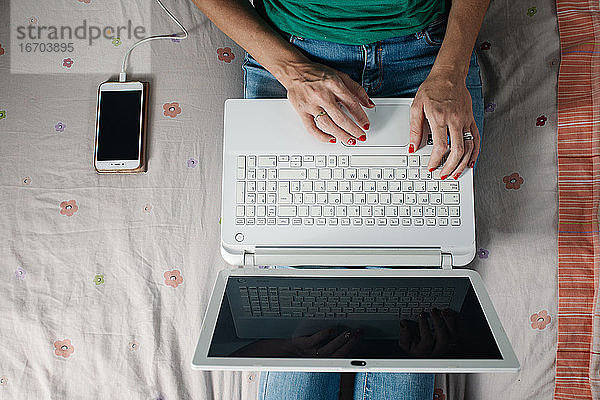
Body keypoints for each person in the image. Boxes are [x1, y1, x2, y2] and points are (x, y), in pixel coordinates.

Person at [192, 0, 489, 397]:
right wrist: (293, 72)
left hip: (430, 58)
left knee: (413, 306)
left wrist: (452, 73)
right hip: (291, 52)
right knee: (298, 305)